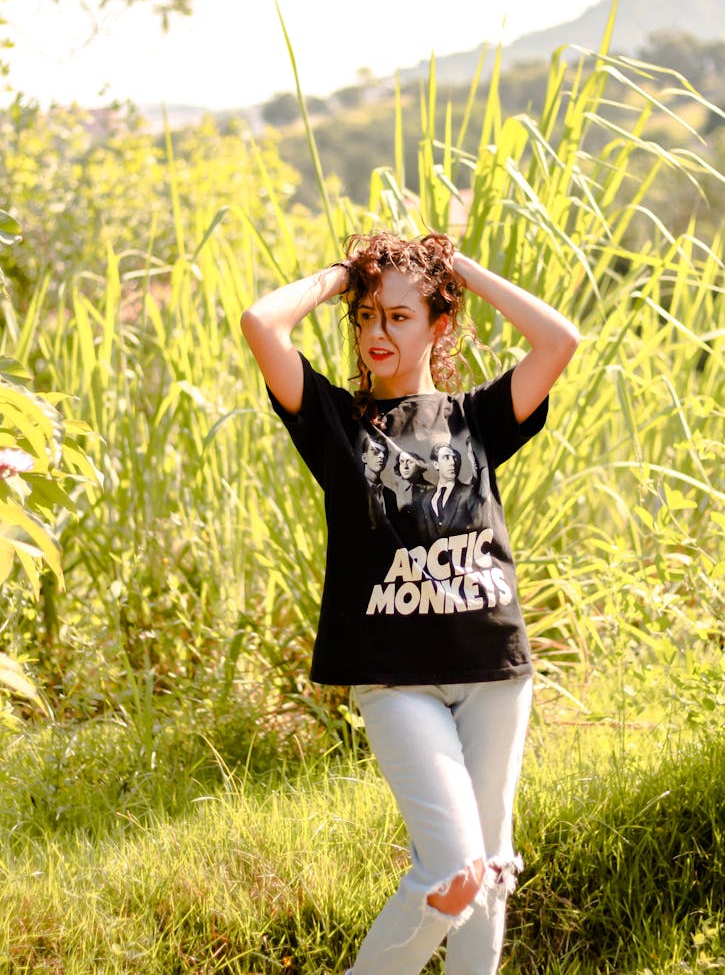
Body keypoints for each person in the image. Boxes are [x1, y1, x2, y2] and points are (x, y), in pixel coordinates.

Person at [240, 230, 580, 975]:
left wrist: (452, 268)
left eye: (399, 316)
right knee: (452, 869)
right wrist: (346, 273)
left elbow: (559, 339)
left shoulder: (477, 417)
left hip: (494, 667)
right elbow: (261, 323)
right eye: (365, 316)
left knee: (487, 872)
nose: (375, 332)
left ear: (439, 323)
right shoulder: (336, 423)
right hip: (396, 677)